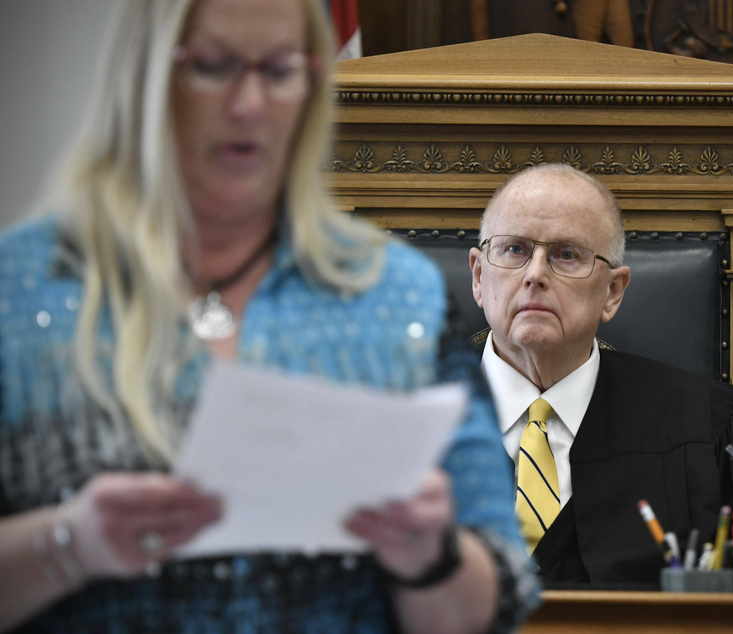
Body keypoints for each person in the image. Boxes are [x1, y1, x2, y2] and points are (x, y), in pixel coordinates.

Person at [0, 0, 538, 632]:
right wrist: (70, 545)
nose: (249, 104)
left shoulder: (400, 296)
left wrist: (426, 555)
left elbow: (493, 600)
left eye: (281, 70)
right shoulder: (22, 288)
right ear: (146, 77)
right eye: (213, 66)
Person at [468, 163, 733, 589]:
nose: (535, 275)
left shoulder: (717, 430)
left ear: (612, 293)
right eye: (514, 250)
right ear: (478, 276)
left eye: (567, 254)